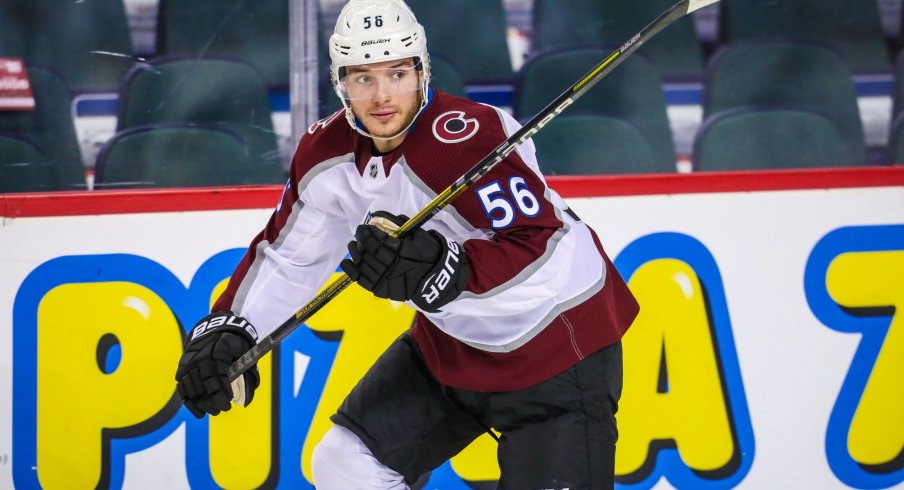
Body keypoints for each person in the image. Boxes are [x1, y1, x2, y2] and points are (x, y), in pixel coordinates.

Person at [174, 0, 639, 487]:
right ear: (340, 83)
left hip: (558, 345)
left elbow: (540, 247)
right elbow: (288, 256)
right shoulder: (325, 155)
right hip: (454, 348)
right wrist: (231, 332)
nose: (381, 96)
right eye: (362, 78)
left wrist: (447, 267)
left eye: (397, 74)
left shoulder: (472, 138)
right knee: (343, 464)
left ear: (421, 73)